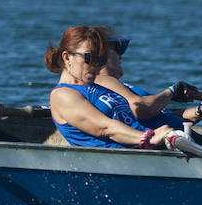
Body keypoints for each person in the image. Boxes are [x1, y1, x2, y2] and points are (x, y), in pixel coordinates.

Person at [46, 25, 177, 149]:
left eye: (101, 59)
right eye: (89, 57)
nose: (96, 65)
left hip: (153, 147)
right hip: (126, 159)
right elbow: (104, 128)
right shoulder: (62, 95)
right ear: (67, 57)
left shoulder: (101, 87)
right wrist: (149, 137)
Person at [93, 31, 202, 132]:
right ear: (100, 56)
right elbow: (142, 109)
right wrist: (172, 91)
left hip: (185, 138)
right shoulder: (100, 82)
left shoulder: (122, 88)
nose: (120, 54)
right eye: (115, 49)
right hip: (176, 144)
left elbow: (161, 115)